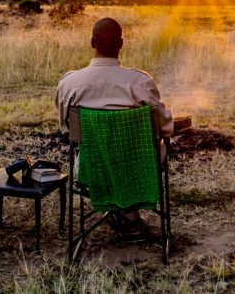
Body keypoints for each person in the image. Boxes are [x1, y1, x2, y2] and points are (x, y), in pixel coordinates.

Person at [56, 17, 173, 236]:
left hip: (91, 163)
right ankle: (129, 214)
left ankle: (118, 211)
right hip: (139, 164)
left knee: (87, 150)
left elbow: (65, 128)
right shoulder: (141, 83)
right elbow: (165, 129)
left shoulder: (69, 83)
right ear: (121, 44)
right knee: (157, 146)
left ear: (92, 43)